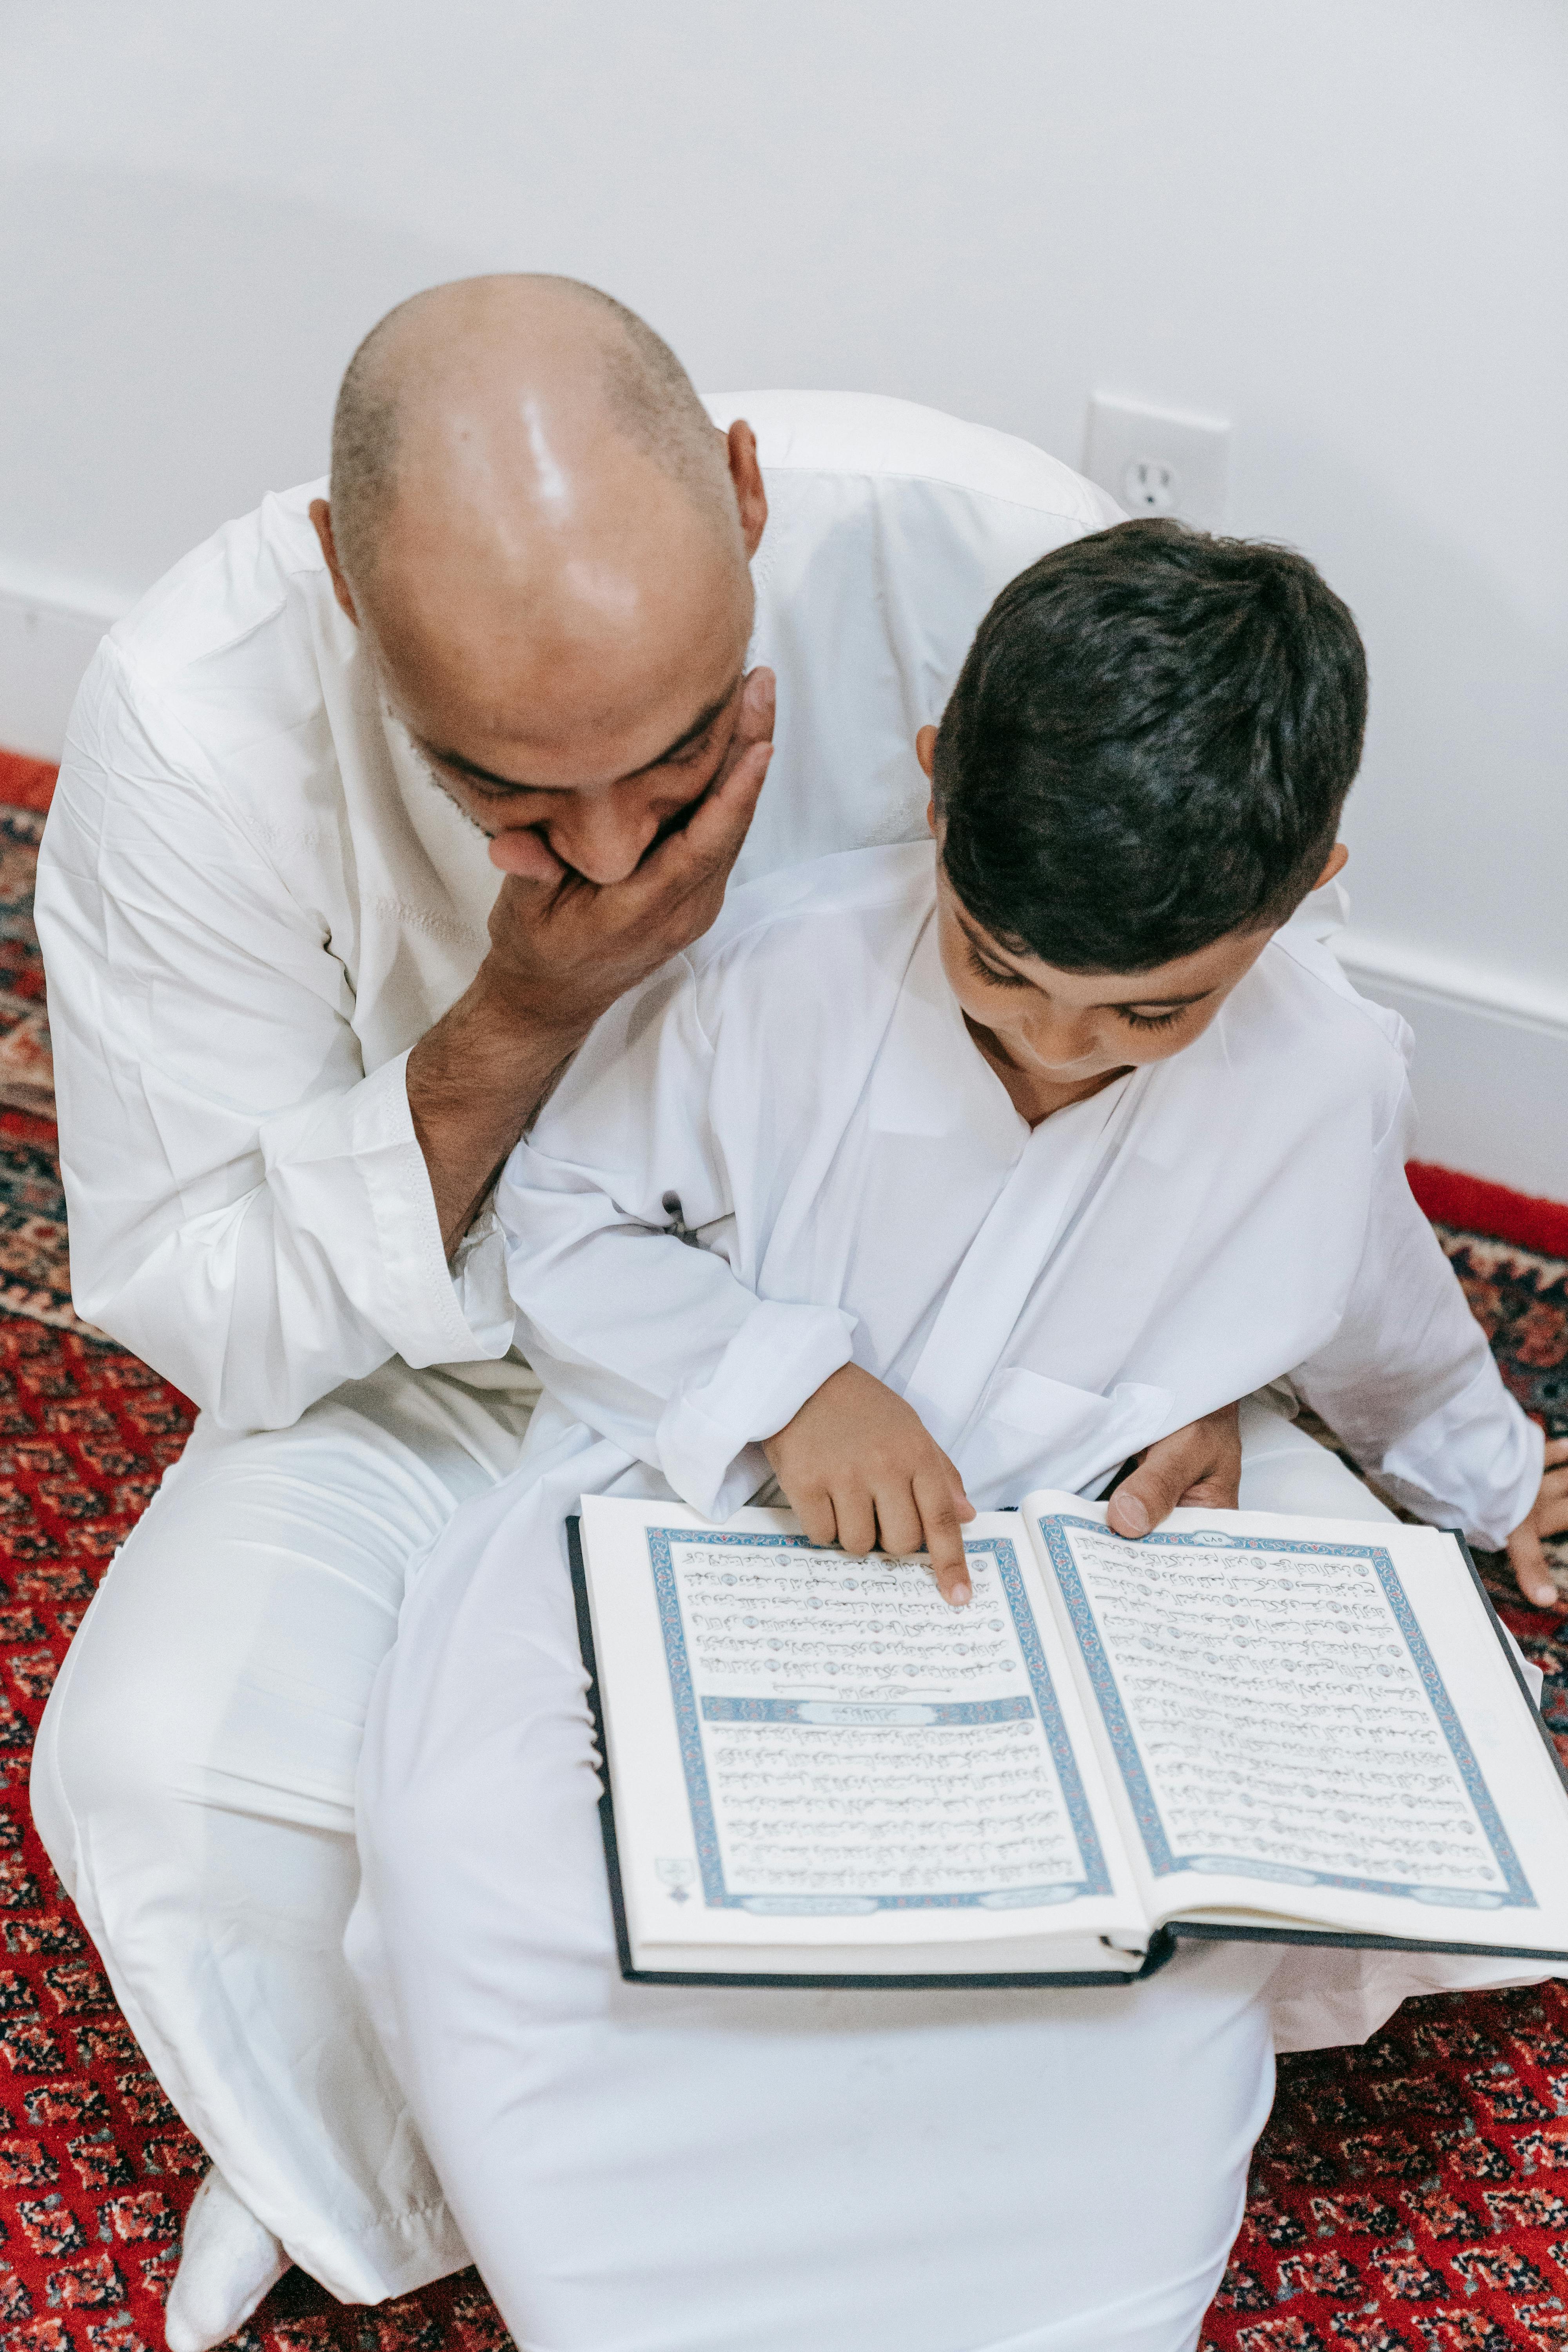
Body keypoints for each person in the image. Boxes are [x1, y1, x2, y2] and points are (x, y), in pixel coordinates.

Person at [28, 277, 1264, 2347]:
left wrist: (1198, 1343)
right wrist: (524, 1007)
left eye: (684, 753)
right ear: (345, 587)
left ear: (754, 504)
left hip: (933, 1353)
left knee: (1263, 1704)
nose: (612, 844)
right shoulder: (190, 720)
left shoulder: (991, 559)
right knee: (155, 1773)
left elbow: (1207, 985)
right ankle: (435, 2168)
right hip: (441, 1378)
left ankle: (601, 2124)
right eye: (504, 786)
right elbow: (214, 1315)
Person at [348, 523, 1559, 2352]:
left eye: (1152, 1012)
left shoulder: (1326, 1065)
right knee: (473, 1844)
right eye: (1002, 973)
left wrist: (1501, 1475)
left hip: (1069, 1586)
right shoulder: (768, 970)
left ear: (1307, 885)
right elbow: (562, 1225)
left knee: (1150, 1984)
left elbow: (1367, 1287)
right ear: (933, 788)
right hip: (718, 1531)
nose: (1065, 1046)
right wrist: (785, 1391)